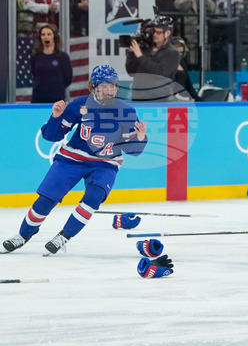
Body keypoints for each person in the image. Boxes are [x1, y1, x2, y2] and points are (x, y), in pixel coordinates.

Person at [2, 66, 148, 256]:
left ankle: (63, 237)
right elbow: (51, 136)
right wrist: (55, 117)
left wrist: (140, 138)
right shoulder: (79, 105)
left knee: (94, 197)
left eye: (112, 86)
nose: (109, 90)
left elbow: (133, 152)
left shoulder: (126, 111)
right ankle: (23, 235)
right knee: (45, 201)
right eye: (104, 86)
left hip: (106, 162)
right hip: (72, 158)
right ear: (93, 87)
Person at [124, 16, 182, 102]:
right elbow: (131, 72)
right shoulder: (145, 49)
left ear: (167, 33)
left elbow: (160, 73)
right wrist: (131, 54)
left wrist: (140, 56)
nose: (154, 34)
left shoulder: (173, 53)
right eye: (154, 31)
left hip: (160, 100)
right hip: (139, 98)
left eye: (158, 32)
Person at [29, 24, 73, 104]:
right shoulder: (35, 56)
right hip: (38, 98)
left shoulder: (62, 56)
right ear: (40, 37)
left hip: (57, 98)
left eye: (49, 34)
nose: (46, 37)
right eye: (43, 34)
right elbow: (34, 74)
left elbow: (68, 78)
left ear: (54, 37)